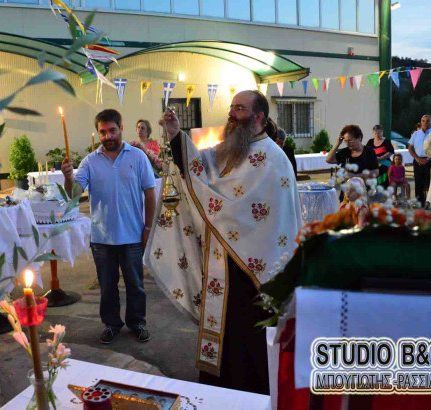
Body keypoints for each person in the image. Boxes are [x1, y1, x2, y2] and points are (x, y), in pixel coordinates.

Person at [145, 90, 302, 395]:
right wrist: (176, 136)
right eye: (231, 108)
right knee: (224, 336)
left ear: (259, 117)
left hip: (255, 276)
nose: (231, 114)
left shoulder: (274, 160)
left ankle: (252, 396)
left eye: (239, 109)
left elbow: (262, 216)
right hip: (220, 263)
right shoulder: (229, 150)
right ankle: (218, 392)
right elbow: (199, 170)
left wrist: (225, 220)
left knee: (249, 341)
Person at [61, 109, 156, 344]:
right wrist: (68, 178)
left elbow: (150, 194)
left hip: (133, 235)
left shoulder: (138, 157)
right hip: (102, 238)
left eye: (112, 130)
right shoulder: (90, 162)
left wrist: (147, 229)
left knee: (136, 285)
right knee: (107, 286)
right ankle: (111, 325)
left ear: (121, 128)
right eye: (102, 132)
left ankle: (137, 323)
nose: (107, 136)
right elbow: (74, 196)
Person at [408, 115, 431, 205]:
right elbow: (410, 148)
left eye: (427, 121)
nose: (425, 123)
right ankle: (419, 203)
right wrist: (417, 158)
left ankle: (430, 202)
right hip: (417, 161)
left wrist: (429, 158)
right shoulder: (416, 134)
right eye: (423, 121)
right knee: (418, 182)